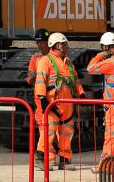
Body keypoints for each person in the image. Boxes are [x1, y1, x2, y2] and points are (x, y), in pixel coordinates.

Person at [27, 33, 79, 169]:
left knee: (66, 132)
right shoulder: (46, 60)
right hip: (52, 103)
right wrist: (42, 98)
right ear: (58, 45)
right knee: (48, 132)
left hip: (67, 104)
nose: (68, 47)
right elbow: (40, 80)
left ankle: (65, 160)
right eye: (66, 44)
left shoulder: (68, 62)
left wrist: (81, 93)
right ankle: (40, 158)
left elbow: (74, 80)